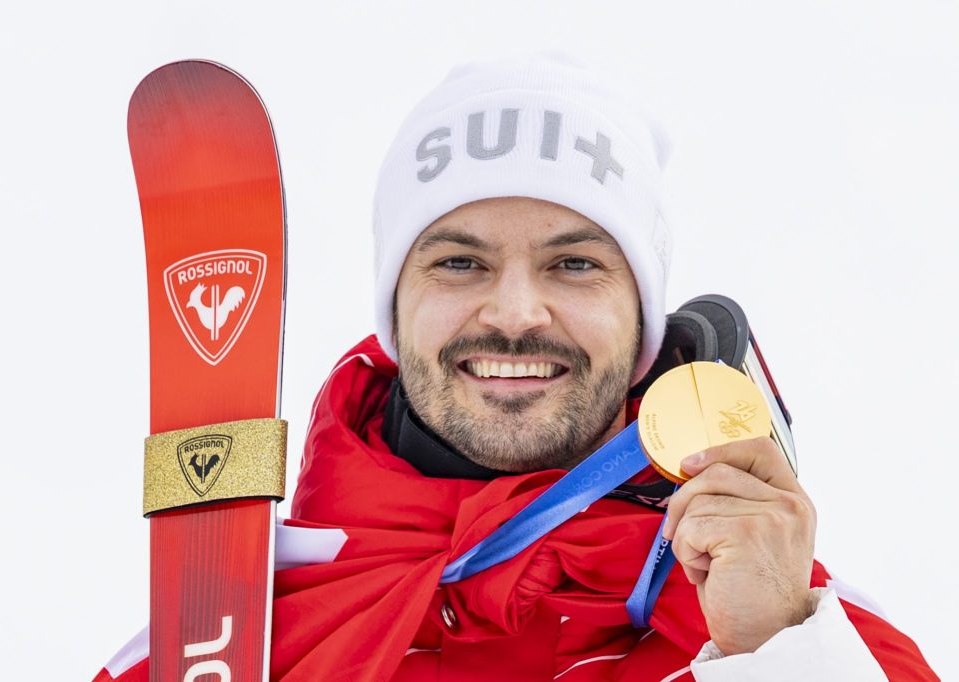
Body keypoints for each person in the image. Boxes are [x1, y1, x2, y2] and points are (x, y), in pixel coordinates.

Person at [95, 53, 937, 681]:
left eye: (574, 265)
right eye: (459, 264)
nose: (514, 312)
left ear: (642, 319)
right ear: (394, 315)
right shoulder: (230, 636)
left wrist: (780, 652)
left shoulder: (806, 627)